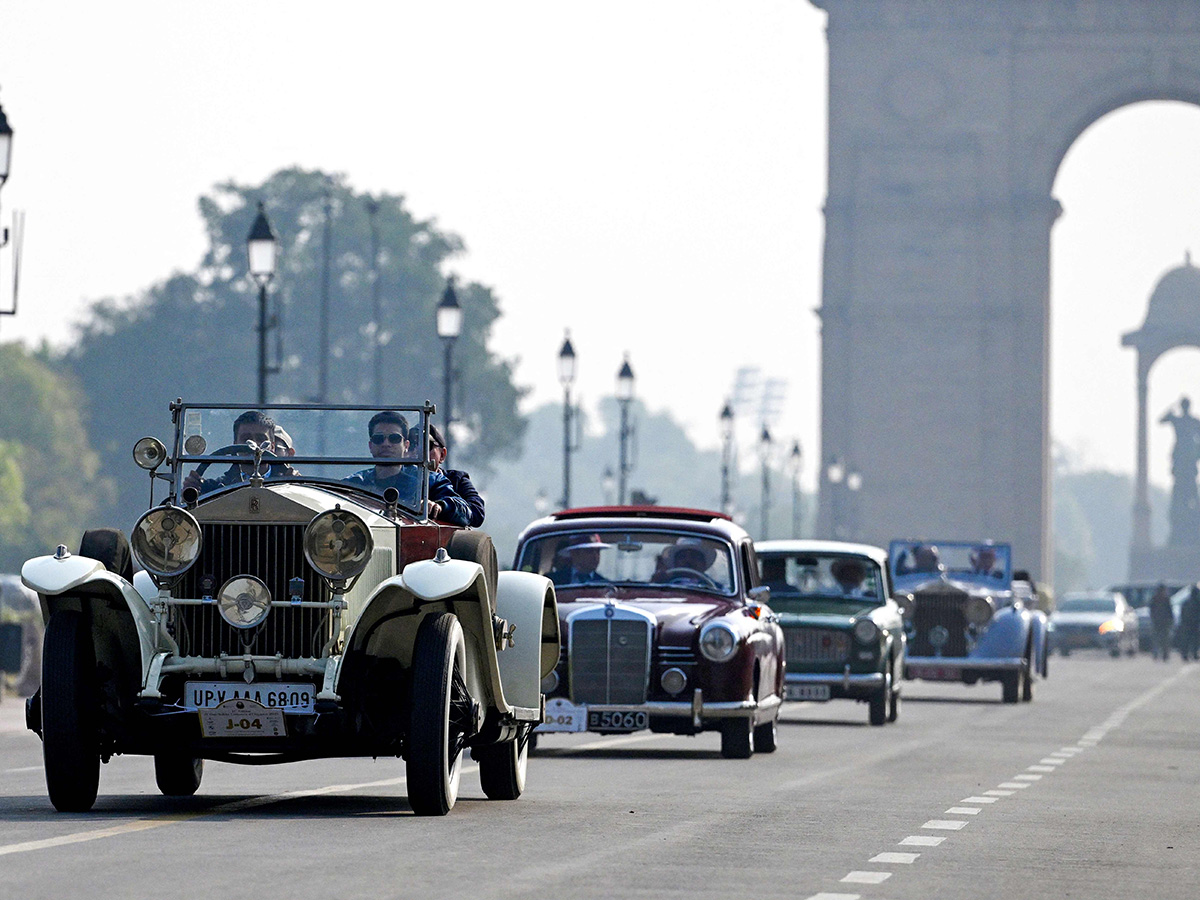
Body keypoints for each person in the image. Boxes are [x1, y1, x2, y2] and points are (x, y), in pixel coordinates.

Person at [343, 411, 471, 526]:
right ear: (370, 446)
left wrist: (440, 506)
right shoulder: (354, 484)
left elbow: (465, 511)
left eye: (394, 438)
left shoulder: (429, 480)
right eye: (378, 439)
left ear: (406, 445)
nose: (386, 444)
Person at [183, 410, 296, 493]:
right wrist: (191, 491)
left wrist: (297, 485)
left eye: (261, 439)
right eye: (246, 439)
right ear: (235, 445)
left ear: (272, 446)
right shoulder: (213, 490)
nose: (254, 445)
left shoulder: (288, 486)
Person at [427, 424, 485, 528]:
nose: (417, 453)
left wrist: (442, 507)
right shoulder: (399, 479)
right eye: (413, 445)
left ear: (442, 454)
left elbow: (477, 513)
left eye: (427, 446)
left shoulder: (457, 480)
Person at [547, 534, 612, 586]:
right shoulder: (553, 581)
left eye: (597, 551)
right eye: (589, 551)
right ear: (575, 554)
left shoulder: (605, 584)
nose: (595, 556)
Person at [1149, 582, 1175, 662]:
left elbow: (1152, 610)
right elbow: (1169, 611)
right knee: (1162, 639)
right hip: (1161, 622)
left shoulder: (1158, 599)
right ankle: (1161, 654)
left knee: (1161, 639)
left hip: (1161, 622)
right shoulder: (1161, 599)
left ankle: (1161, 654)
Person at [1177, 585, 1200, 661]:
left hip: (1188, 624)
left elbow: (1182, 613)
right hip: (1192, 624)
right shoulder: (1196, 603)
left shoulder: (1187, 602)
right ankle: (1192, 654)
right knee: (1193, 640)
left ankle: (1186, 655)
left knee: (1188, 640)